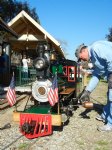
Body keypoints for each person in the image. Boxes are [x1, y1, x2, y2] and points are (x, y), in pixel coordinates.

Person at [75, 40, 112, 132]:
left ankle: (110, 124)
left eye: (81, 58)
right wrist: (87, 91)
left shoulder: (96, 48)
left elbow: (111, 58)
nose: (82, 60)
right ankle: (105, 115)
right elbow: (97, 75)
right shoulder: (94, 58)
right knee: (109, 95)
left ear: (83, 51)